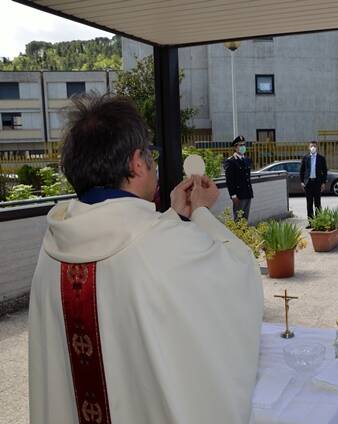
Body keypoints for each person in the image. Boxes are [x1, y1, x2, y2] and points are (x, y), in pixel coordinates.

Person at [29, 94, 264, 424]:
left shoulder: (53, 245)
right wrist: (200, 213)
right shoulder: (159, 245)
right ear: (137, 162)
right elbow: (239, 275)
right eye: (151, 155)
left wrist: (174, 216)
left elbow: (133, 244)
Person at [224, 135, 254, 221]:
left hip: (247, 193)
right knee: (238, 219)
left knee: (245, 219)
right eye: (240, 145)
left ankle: (244, 235)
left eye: (244, 145)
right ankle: (237, 235)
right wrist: (233, 195)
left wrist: (250, 193)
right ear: (235, 147)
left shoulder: (247, 160)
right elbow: (229, 181)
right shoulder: (230, 161)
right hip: (239, 196)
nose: (243, 147)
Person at [299, 140, 328, 228]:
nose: (313, 148)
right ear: (309, 147)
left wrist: (323, 182)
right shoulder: (306, 157)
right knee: (309, 203)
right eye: (311, 146)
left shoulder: (321, 158)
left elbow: (325, 171)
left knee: (317, 203)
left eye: (314, 146)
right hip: (308, 183)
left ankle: (319, 222)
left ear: (317, 147)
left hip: (317, 183)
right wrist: (302, 182)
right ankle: (311, 222)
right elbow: (302, 170)